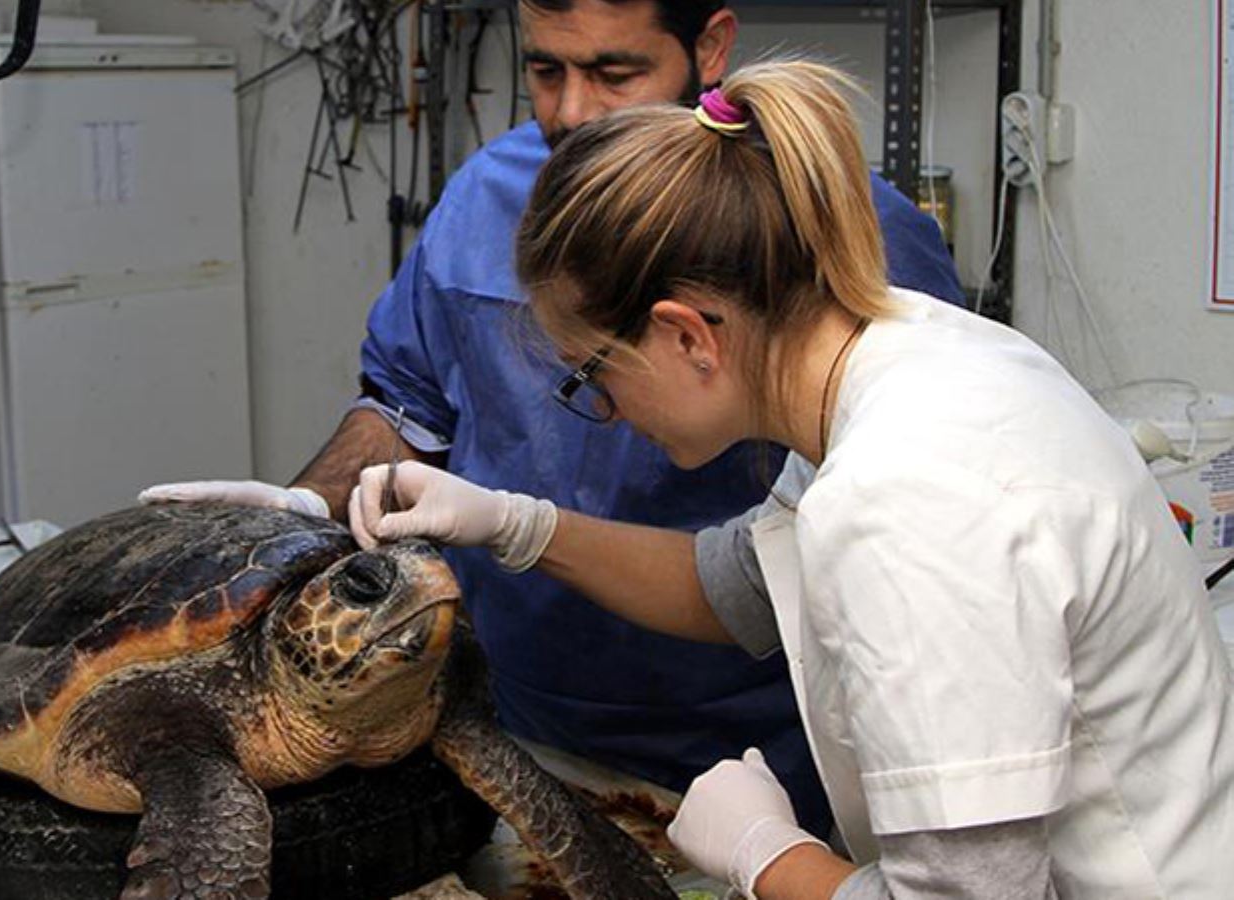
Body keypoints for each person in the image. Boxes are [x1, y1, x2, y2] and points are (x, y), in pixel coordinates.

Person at [345, 59, 1234, 899]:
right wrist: (513, 523)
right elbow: (734, 585)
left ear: (688, 336)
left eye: (593, 375)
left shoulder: (907, 502)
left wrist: (764, 855)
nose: (605, 413)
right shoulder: (898, 355)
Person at [141, 0, 964, 835]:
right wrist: (299, 526)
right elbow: (406, 400)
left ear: (709, 47)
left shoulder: (851, 231)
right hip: (512, 711)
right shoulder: (481, 201)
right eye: (544, 72)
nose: (570, 112)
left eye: (615, 74)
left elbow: (833, 557)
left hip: (752, 743)